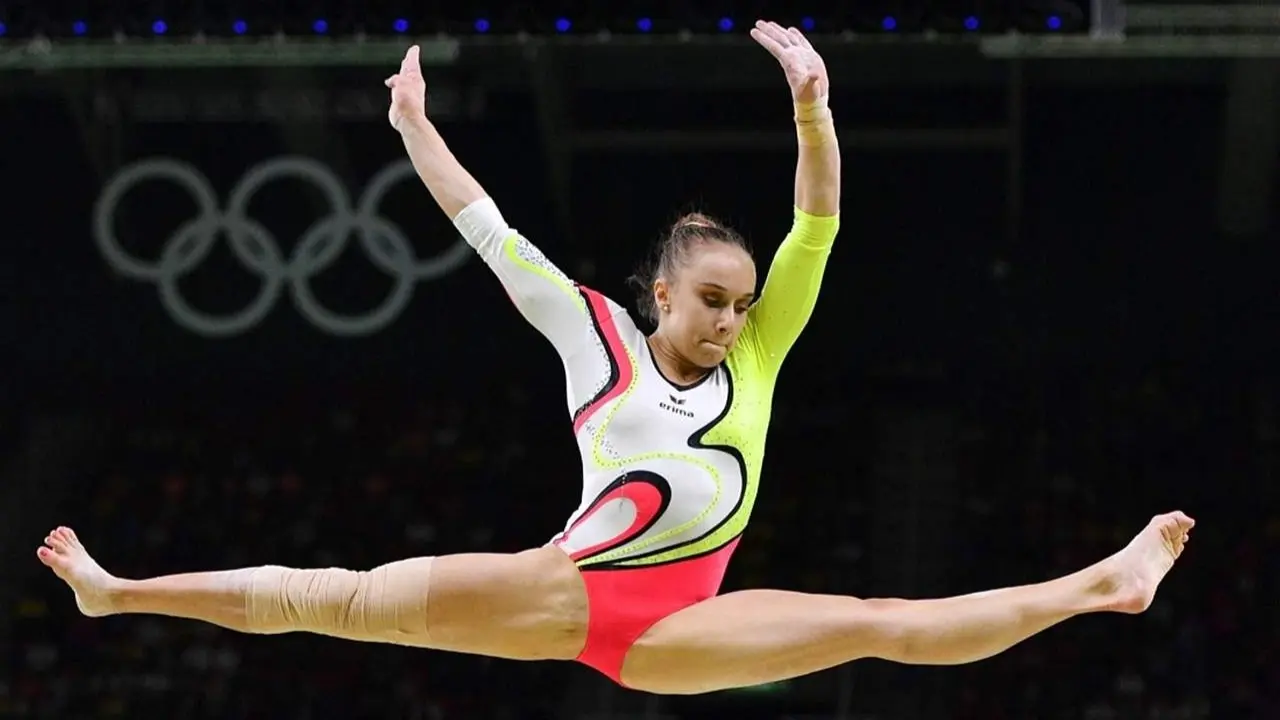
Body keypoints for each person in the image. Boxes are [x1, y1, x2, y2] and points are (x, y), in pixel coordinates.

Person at [37, 20, 1194, 696]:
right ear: (661, 293)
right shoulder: (591, 335)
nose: (729, 322)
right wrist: (413, 127)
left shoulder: (761, 354)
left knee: (878, 621)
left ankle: (1102, 585)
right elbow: (485, 228)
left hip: (676, 627)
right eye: (710, 301)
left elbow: (817, 225)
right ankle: (117, 593)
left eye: (742, 307)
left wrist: (810, 108)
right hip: (564, 594)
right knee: (335, 599)